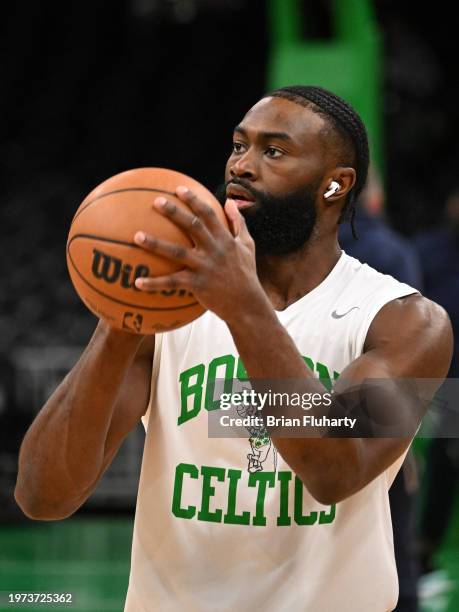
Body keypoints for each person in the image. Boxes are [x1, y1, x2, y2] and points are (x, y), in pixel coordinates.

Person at [14, 86, 452, 611]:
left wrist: (243, 306)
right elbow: (43, 497)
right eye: (239, 145)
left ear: (336, 184)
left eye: (273, 151)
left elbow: (336, 469)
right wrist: (122, 317)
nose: (242, 165)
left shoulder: (405, 322)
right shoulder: (170, 315)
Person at [339, 168, 423, 612]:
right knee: (393, 530)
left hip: (296, 402)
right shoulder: (395, 252)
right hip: (373, 411)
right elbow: (409, 353)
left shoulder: (293, 254)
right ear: (374, 199)